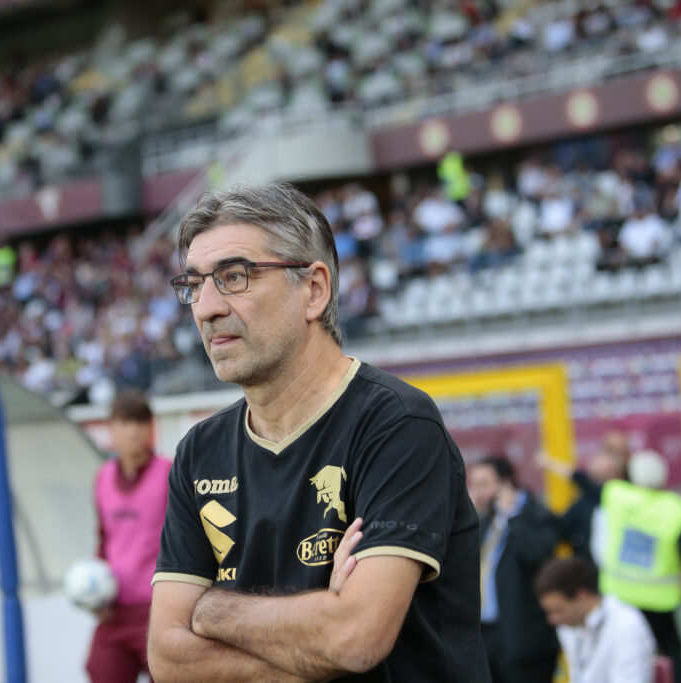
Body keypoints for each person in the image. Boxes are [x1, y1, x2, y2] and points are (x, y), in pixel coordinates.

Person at [147, 183, 489, 681]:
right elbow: (169, 657)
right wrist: (316, 631)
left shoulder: (396, 424)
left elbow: (354, 639)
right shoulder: (200, 451)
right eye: (195, 284)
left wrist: (212, 611)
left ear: (314, 289)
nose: (206, 308)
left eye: (234, 277)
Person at [88, 389, 172, 683]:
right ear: (111, 429)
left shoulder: (169, 472)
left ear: (151, 427)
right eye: (125, 423)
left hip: (160, 610)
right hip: (115, 611)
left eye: (139, 422)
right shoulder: (103, 478)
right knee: (98, 668)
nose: (133, 431)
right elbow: (103, 541)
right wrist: (93, 591)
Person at [599, 449, 681, 683]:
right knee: (671, 650)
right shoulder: (675, 506)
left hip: (622, 595)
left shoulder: (617, 495)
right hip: (662, 598)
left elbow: (585, 480)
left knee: (627, 653)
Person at [472, 455, 560, 683]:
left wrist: (512, 516)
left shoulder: (536, 514)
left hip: (525, 641)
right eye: (473, 485)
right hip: (487, 636)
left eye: (483, 484)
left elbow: (537, 553)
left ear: (505, 483)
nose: (477, 492)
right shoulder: (485, 521)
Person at [534, 556, 656, 683]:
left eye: (559, 610)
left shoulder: (626, 625)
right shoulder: (568, 626)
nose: (552, 620)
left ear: (582, 595)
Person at [537, 430, 629, 563]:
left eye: (612, 453)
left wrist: (549, 463)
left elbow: (580, 479)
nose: (600, 457)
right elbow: (562, 528)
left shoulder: (621, 493)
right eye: (605, 450)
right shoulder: (586, 500)